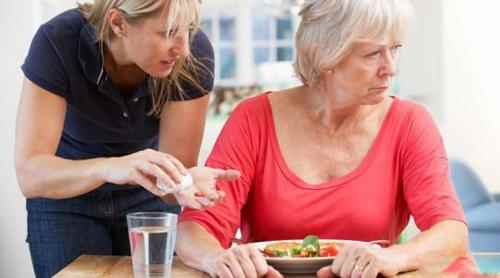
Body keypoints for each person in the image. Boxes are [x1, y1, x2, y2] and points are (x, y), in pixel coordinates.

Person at [176, 0, 471, 277]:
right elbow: (196, 227)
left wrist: (394, 257)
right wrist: (214, 258)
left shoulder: (410, 123)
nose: (390, 68)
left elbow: (451, 231)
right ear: (325, 53)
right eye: (372, 54)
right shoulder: (253, 119)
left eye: (394, 49)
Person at [14, 0, 239, 277]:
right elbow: (31, 174)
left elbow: (171, 188)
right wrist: (111, 167)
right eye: (168, 32)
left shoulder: (195, 55)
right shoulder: (57, 41)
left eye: (188, 30)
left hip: (147, 198)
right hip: (67, 198)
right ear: (118, 23)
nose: (183, 49)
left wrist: (186, 181)